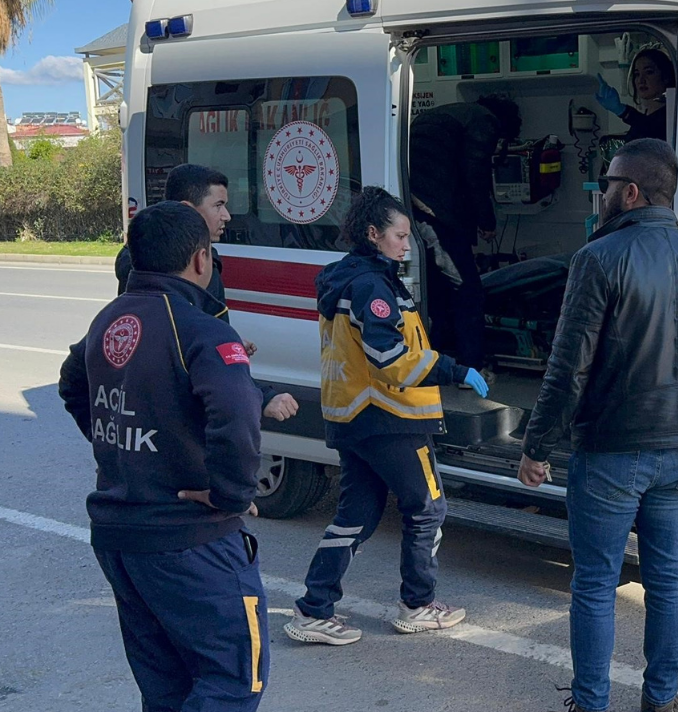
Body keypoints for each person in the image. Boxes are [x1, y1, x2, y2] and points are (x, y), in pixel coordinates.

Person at [517, 139, 678, 712]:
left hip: (614, 447)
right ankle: (662, 702)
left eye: (608, 184)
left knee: (595, 584)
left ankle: (591, 704)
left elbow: (570, 364)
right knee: (668, 581)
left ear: (631, 191)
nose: (603, 193)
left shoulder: (597, 258)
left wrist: (537, 445)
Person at [58, 201, 269, 712]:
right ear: (202, 260)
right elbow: (238, 409)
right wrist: (230, 493)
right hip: (189, 538)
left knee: (167, 689)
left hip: (120, 540)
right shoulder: (201, 328)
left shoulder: (110, 317)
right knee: (234, 681)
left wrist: (121, 450)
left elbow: (72, 384)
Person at [284, 187, 491, 645]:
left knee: (356, 514)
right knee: (428, 508)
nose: (406, 243)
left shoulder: (348, 278)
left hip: (352, 417)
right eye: (399, 235)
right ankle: (418, 604)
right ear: (373, 234)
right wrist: (455, 369)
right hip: (390, 417)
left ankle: (313, 609)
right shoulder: (372, 287)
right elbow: (390, 357)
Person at [116, 164, 299, 423]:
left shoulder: (144, 262)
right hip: (175, 427)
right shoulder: (182, 269)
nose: (227, 216)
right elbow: (192, 355)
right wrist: (262, 396)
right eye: (218, 205)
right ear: (188, 209)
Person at [408, 95, 522, 381]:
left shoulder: (446, 114)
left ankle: (441, 362)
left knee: (437, 291)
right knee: (467, 289)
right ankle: (472, 368)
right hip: (437, 211)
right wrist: (486, 221)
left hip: (415, 208)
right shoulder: (484, 120)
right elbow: (475, 172)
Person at [595, 47, 676, 142]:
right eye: (637, 74)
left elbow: (652, 130)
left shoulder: (671, 116)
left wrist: (622, 110)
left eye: (649, 72)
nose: (641, 80)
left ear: (666, 76)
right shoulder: (645, 118)